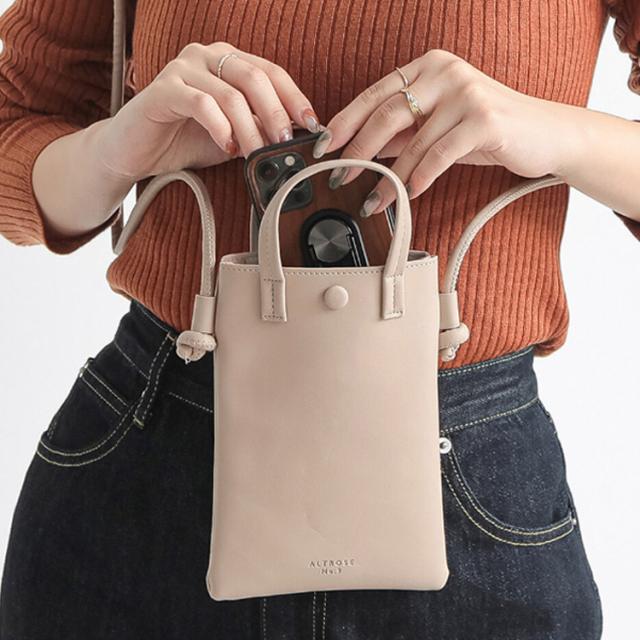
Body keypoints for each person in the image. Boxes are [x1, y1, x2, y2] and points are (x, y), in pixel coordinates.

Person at [0, 0, 638, 638]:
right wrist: (116, 153)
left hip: (471, 486)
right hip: (147, 471)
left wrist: (560, 135)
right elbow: (16, 122)